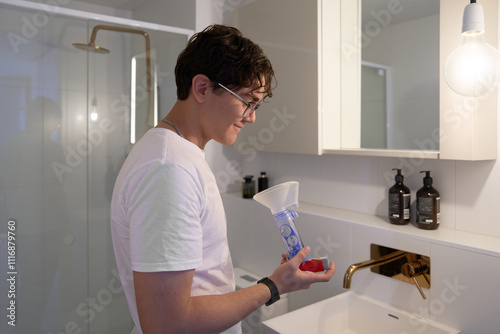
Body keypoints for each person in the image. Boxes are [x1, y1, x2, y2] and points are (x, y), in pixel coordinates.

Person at [110, 24, 335, 334]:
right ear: (202, 88)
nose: (252, 116)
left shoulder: (178, 156)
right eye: (247, 100)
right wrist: (274, 286)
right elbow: (166, 324)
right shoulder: (168, 170)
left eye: (256, 104)